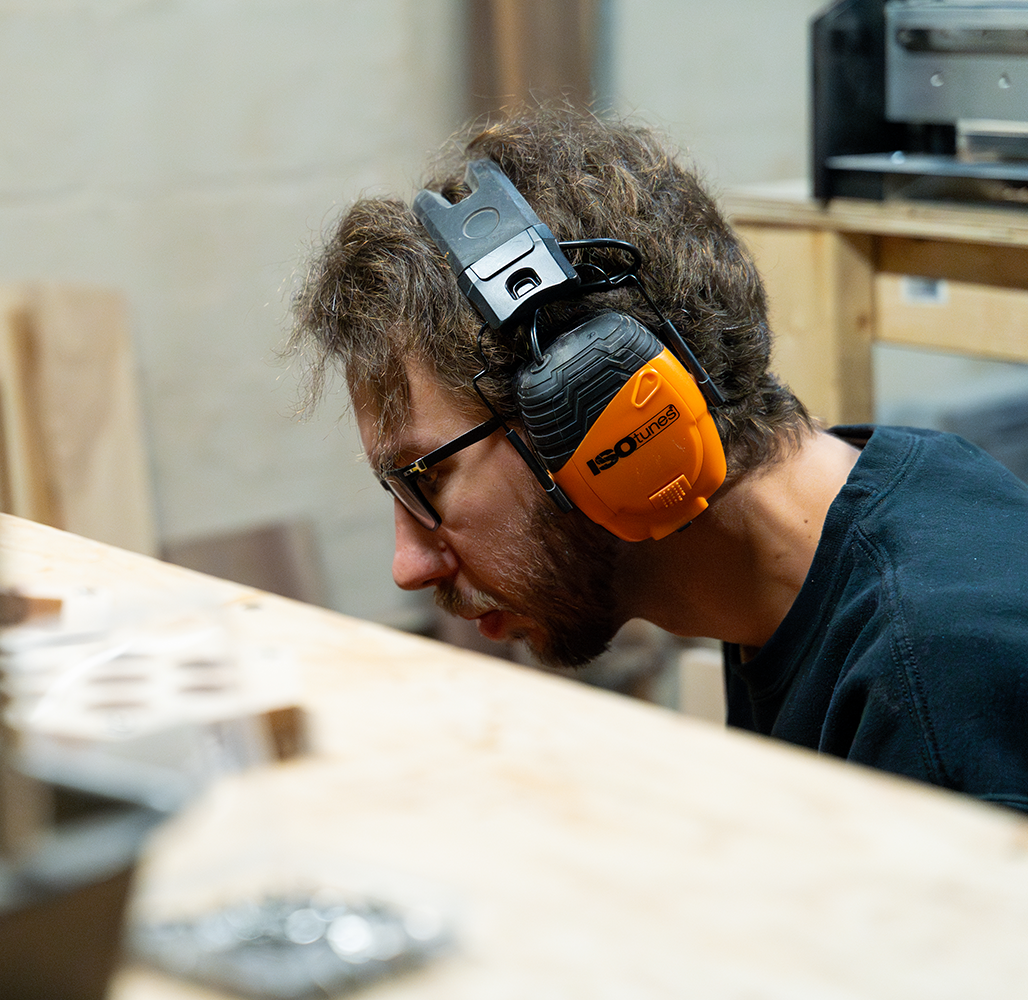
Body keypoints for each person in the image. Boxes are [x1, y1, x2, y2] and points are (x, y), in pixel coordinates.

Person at [287, 105, 1028, 812]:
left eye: (427, 480)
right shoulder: (860, 519)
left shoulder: (938, 691)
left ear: (599, 419)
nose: (408, 566)